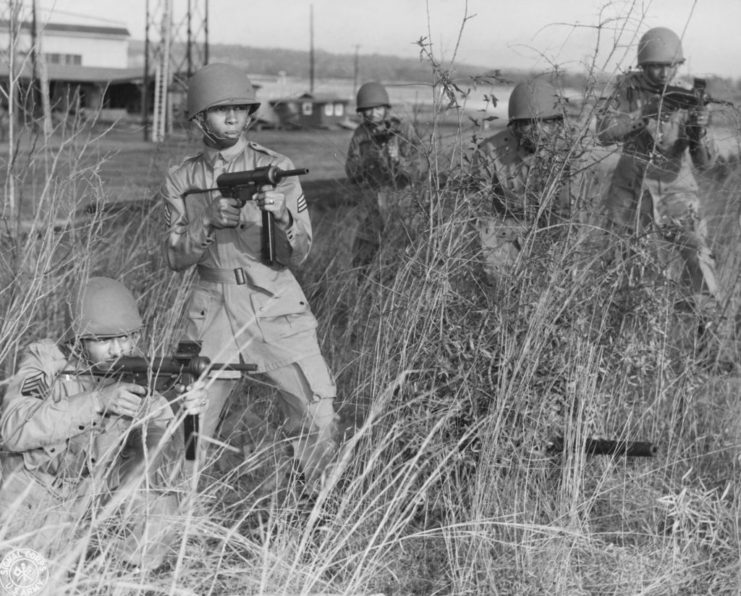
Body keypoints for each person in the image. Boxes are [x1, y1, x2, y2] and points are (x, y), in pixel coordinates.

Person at [161, 63, 339, 496]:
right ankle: (178, 529)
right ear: (200, 118)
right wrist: (204, 220)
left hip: (274, 301)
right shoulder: (182, 179)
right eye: (222, 111)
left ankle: (316, 514)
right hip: (212, 308)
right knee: (190, 424)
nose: (234, 118)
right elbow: (173, 257)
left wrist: (279, 215)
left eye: (240, 109)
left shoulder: (276, 166)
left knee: (316, 412)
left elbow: (301, 251)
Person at [0, 277, 206, 571]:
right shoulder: (45, 362)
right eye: (104, 340)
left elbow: (174, 465)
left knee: (157, 498)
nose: (118, 350)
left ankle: (130, 575)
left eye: (126, 337)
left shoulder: (134, 374)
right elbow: (13, 429)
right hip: (29, 500)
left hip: (88, 503)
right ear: (79, 338)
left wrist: (187, 412)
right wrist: (97, 402)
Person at [595, 26, 720, 311]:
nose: (664, 74)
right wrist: (645, 113)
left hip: (676, 192)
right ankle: (629, 323)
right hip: (630, 191)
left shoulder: (689, 96)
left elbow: (705, 163)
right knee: (624, 262)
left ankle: (706, 323)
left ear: (679, 65)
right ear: (643, 66)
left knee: (697, 252)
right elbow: (602, 133)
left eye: (670, 67)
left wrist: (698, 132)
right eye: (656, 68)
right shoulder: (626, 89)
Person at [473, 78, 597, 288]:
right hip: (504, 239)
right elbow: (478, 216)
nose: (539, 130)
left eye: (547, 122)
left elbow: (572, 218)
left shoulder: (570, 156)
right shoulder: (490, 152)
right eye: (530, 122)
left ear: (558, 123)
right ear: (516, 126)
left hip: (551, 239)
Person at [345, 81, 421, 267]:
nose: (372, 114)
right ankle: (366, 294)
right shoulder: (361, 134)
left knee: (402, 258)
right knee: (363, 260)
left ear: (385, 108)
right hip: (372, 207)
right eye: (367, 110)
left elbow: (419, 170)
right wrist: (366, 160)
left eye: (377, 108)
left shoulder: (403, 130)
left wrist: (398, 160)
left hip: (401, 206)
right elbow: (351, 172)